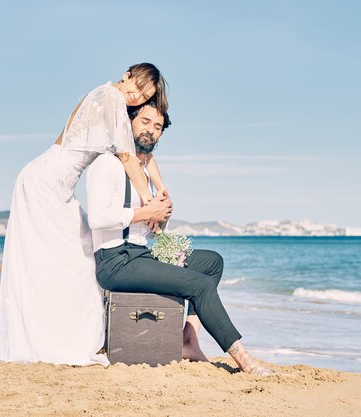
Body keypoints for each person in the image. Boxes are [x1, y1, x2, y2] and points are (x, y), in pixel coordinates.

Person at [0, 63, 167, 366]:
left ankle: (47, 335)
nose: (136, 97)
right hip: (45, 183)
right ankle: (48, 339)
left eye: (144, 96)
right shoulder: (111, 97)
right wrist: (149, 204)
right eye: (137, 87)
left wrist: (159, 190)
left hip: (56, 185)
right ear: (126, 74)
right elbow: (127, 157)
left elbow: (144, 156)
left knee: (68, 259)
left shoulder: (109, 98)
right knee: (74, 259)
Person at [86, 103, 277, 375]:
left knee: (211, 263)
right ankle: (244, 359)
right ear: (129, 121)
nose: (150, 131)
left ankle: (188, 339)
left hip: (140, 255)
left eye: (158, 127)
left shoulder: (144, 174)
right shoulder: (107, 164)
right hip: (115, 260)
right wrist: (144, 212)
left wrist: (160, 217)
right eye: (145, 122)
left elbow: (146, 228)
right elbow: (97, 218)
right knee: (199, 285)